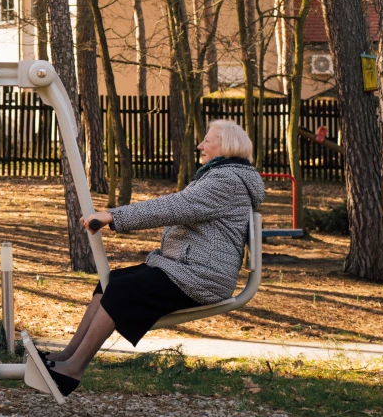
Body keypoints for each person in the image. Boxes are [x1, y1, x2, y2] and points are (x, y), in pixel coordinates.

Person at [42, 119, 264, 396]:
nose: (200, 145)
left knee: (124, 289)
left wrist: (113, 216)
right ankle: (66, 356)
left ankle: (72, 371)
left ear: (227, 144)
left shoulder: (226, 181)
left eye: (207, 140)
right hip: (189, 269)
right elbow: (179, 208)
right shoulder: (221, 177)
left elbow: (173, 207)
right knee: (112, 281)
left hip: (201, 277)